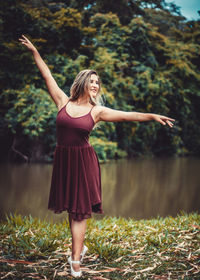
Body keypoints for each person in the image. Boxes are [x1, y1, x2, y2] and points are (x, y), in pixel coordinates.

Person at [19, 35, 175, 278]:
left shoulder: (97, 111)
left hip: (83, 162)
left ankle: (75, 260)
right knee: (72, 208)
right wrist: (35, 52)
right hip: (64, 160)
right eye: (92, 81)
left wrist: (152, 116)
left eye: (98, 82)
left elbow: (128, 115)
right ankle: (79, 247)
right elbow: (47, 75)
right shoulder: (62, 101)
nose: (95, 85)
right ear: (82, 82)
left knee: (80, 210)